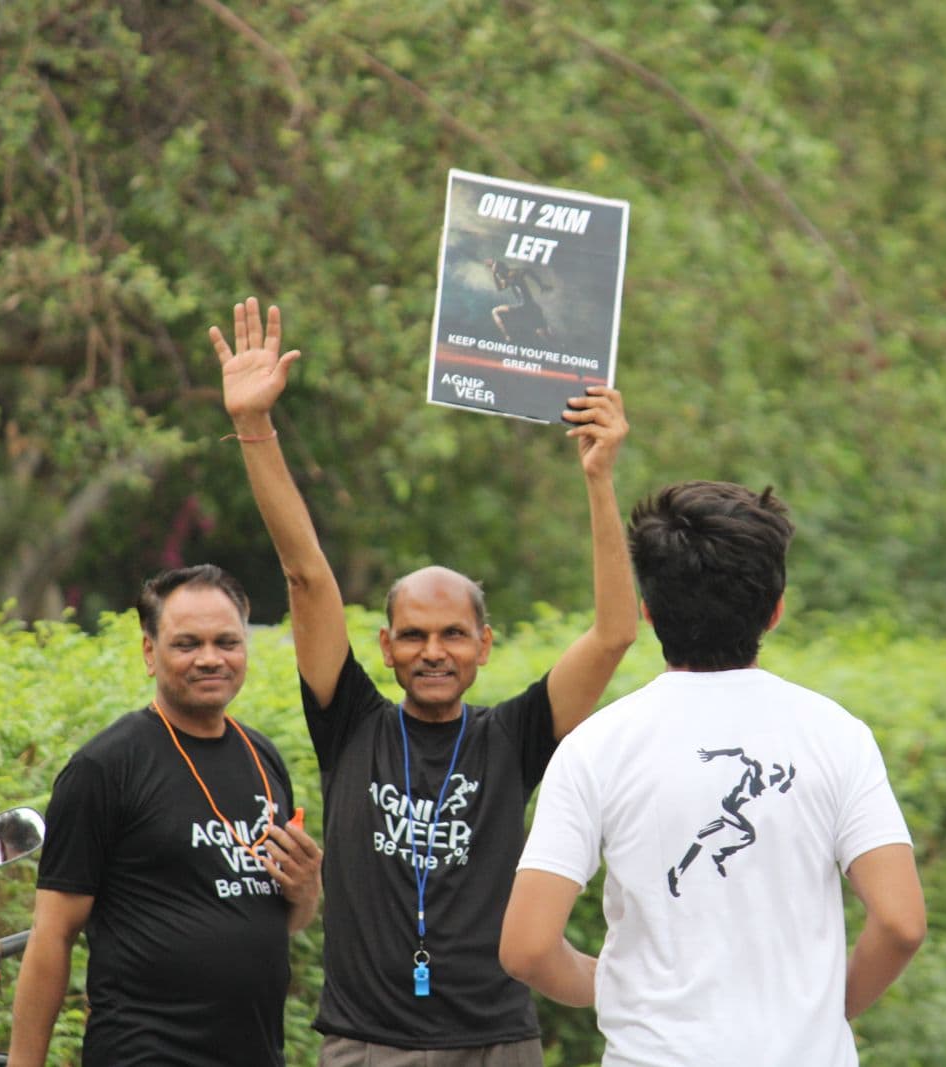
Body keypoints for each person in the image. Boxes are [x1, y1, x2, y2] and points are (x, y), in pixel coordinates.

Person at [214, 297, 636, 1065]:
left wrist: (600, 477)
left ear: (484, 644)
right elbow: (306, 576)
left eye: (452, 634)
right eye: (412, 634)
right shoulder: (351, 722)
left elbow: (614, 634)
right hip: (365, 1043)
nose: (432, 650)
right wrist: (255, 426)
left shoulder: (513, 738)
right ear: (385, 645)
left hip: (495, 1041)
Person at [500, 480, 926, 1065]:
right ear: (775, 610)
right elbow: (902, 923)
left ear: (649, 612)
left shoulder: (595, 746)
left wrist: (620, 988)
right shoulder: (837, 735)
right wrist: (826, 1009)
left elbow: (526, 948)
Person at [8, 564, 324, 1067]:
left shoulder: (262, 758)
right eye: (187, 644)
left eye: (227, 642)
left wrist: (307, 891)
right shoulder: (105, 768)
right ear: (150, 652)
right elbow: (53, 935)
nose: (210, 659)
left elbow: (274, 920)